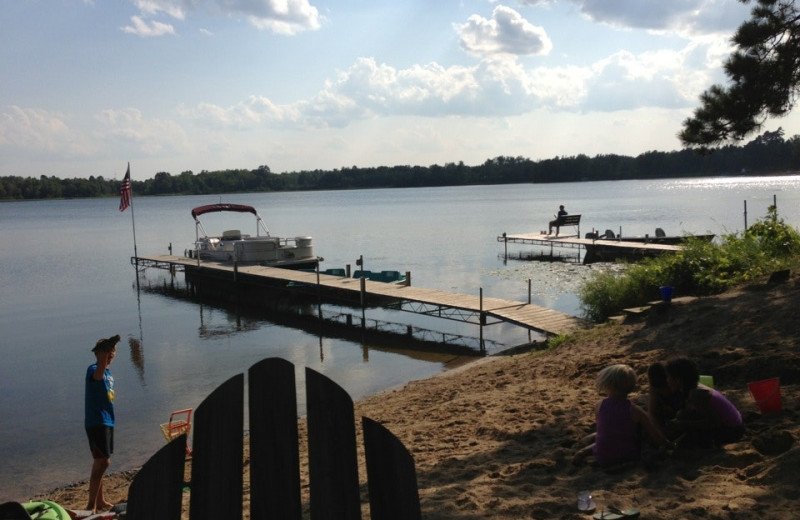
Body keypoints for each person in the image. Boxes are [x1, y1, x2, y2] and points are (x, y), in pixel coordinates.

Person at [573, 364, 671, 466]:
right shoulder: (635, 410)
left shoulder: (599, 406)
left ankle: (584, 451)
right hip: (628, 455)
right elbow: (654, 434)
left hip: (601, 455)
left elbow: (603, 431)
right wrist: (667, 444)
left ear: (607, 385)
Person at [665, 357, 744, 448]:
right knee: (682, 415)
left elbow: (713, 423)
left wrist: (683, 424)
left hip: (733, 431)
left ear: (678, 379)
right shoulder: (694, 387)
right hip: (734, 425)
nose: (667, 380)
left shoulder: (696, 394)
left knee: (687, 435)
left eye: (669, 377)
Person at [85, 334, 120, 513]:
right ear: (98, 354)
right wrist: (102, 359)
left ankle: (100, 501)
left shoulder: (108, 373)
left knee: (101, 462)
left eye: (112, 352)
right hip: (97, 421)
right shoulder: (94, 370)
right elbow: (97, 377)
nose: (111, 355)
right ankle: (91, 505)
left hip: (107, 421)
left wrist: (106, 355)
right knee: (103, 462)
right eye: (107, 352)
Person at [647, 362, 685, 439]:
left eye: (667, 389)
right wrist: (660, 434)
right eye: (660, 391)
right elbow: (652, 412)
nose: (665, 393)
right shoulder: (655, 387)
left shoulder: (682, 388)